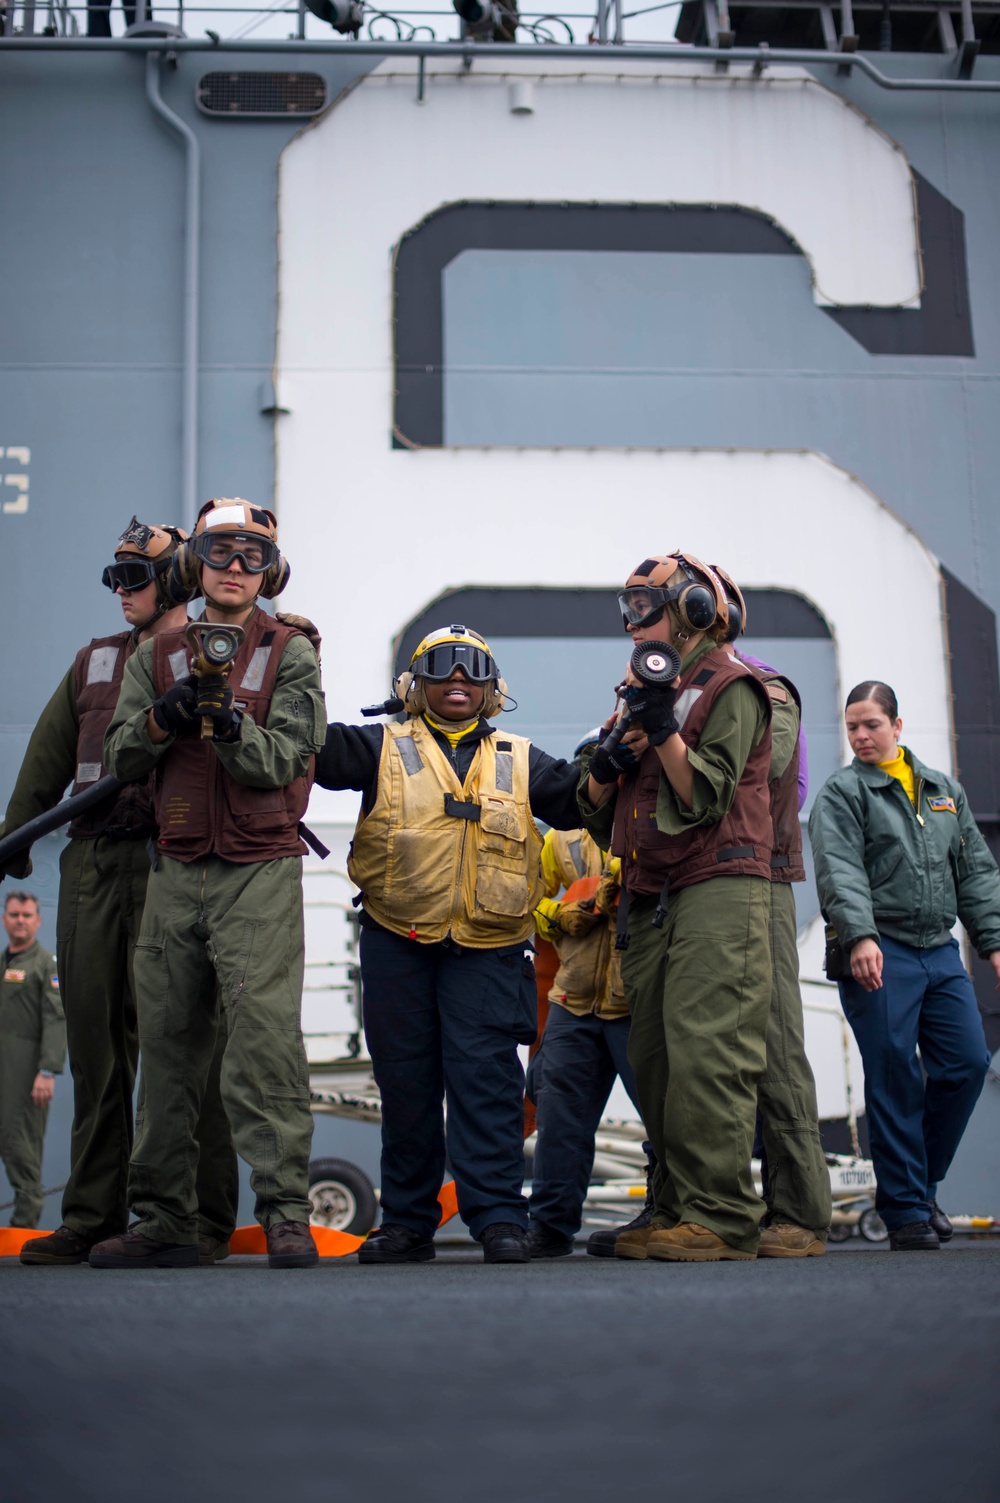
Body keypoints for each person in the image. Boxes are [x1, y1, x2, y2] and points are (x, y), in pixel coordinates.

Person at [92, 498, 326, 1270]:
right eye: (221, 551)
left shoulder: (291, 651)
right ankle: (166, 1218)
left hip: (256, 868)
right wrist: (164, 717)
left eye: (252, 555)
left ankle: (287, 1213)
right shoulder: (154, 656)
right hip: (178, 862)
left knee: (262, 1042)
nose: (235, 566)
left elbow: (287, 759)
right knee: (165, 1047)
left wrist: (229, 726)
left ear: (271, 570)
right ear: (196, 561)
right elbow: (123, 756)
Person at [1, 518, 238, 1268]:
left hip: (176, 862)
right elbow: (46, 757)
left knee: (186, 1047)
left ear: (174, 582)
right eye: (116, 576)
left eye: (134, 578)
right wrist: (13, 836)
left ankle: (200, 1217)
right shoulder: (93, 662)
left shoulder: (213, 653)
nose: (120, 590)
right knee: (97, 1048)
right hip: (93, 865)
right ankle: (91, 1215)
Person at [315, 625, 582, 1264]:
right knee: (405, 1085)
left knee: (487, 1083)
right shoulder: (376, 746)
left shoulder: (522, 759)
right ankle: (407, 1224)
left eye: (472, 671)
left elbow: (581, 802)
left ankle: (498, 1220)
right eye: (440, 668)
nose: (457, 679)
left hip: (489, 948)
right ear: (414, 685)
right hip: (395, 941)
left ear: (494, 691)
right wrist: (298, 671)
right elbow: (313, 753)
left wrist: (622, 751)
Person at [579, 553, 774, 1262]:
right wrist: (609, 760)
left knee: (704, 1051)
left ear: (694, 609)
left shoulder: (734, 687)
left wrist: (662, 732)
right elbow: (595, 815)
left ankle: (720, 1216)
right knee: (655, 1055)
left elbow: (705, 797)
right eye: (628, 607)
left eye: (647, 605)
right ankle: (674, 1207)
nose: (634, 624)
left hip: (717, 885)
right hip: (651, 887)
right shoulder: (644, 691)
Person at [808, 680, 996, 1251]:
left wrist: (993, 939)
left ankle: (922, 1184)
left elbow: (977, 872)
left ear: (897, 726)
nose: (861, 736)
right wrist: (861, 936)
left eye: (872, 725)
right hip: (878, 951)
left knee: (965, 1065)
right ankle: (906, 1211)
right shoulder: (843, 793)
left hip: (938, 951)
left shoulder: (943, 791)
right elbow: (840, 869)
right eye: (852, 727)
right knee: (893, 1075)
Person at [715, 566, 831, 1258]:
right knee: (700, 1056)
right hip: (695, 885)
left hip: (755, 880)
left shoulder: (762, 688)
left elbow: (756, 776)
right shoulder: (671, 688)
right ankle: (702, 1202)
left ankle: (800, 1211)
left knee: (777, 1050)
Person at [527, 834, 646, 1258]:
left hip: (637, 997)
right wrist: (560, 915)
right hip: (573, 998)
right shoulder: (560, 838)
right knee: (559, 1119)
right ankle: (550, 1227)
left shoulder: (652, 815)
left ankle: (668, 1214)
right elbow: (525, 897)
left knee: (665, 1116)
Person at [1, 891, 65, 1227]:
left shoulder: (44, 965)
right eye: (14, 915)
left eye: (26, 915)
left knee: (19, 1142)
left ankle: (23, 1226)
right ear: (4, 919)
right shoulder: (4, 964)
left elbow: (56, 1017)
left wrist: (47, 1070)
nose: (20, 921)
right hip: (3, 1069)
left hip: (26, 1074)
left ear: (37, 920)